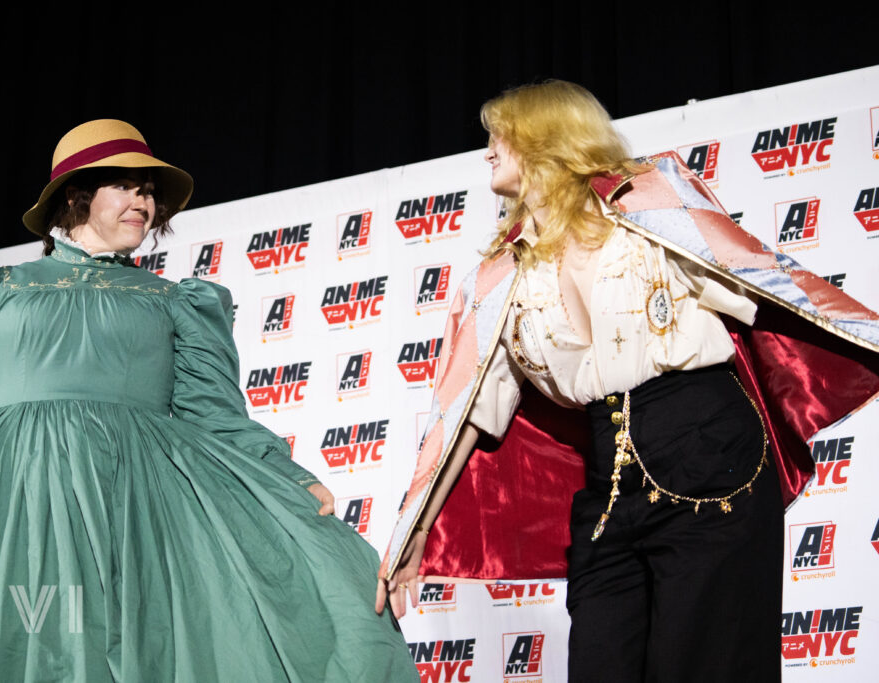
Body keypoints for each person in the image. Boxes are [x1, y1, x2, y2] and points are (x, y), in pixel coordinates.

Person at [0, 119, 417, 682]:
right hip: (15, 499)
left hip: (139, 503)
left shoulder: (180, 301)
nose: (142, 202)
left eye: (148, 191)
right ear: (77, 194)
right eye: (126, 186)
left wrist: (285, 477)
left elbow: (215, 414)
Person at [375, 81, 879, 682]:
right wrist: (420, 527)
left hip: (708, 451)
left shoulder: (647, 200)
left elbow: (757, 283)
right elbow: (466, 407)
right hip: (609, 492)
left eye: (499, 134)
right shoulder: (502, 274)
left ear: (546, 134)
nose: (487, 150)